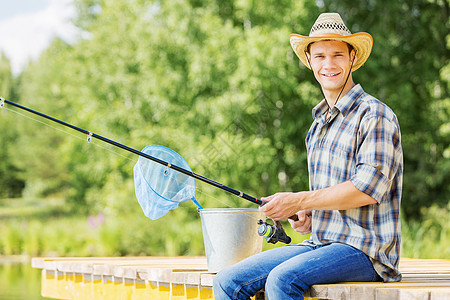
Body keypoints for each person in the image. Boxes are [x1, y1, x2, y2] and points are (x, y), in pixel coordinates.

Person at [213, 12, 403, 299]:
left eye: (338, 54)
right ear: (310, 61)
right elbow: (328, 198)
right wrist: (308, 216)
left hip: (366, 252)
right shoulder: (317, 126)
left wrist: (299, 198)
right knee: (226, 281)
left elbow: (367, 190)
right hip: (320, 243)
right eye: (320, 56)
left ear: (352, 57)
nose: (329, 64)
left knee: (282, 280)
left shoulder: (374, 115)